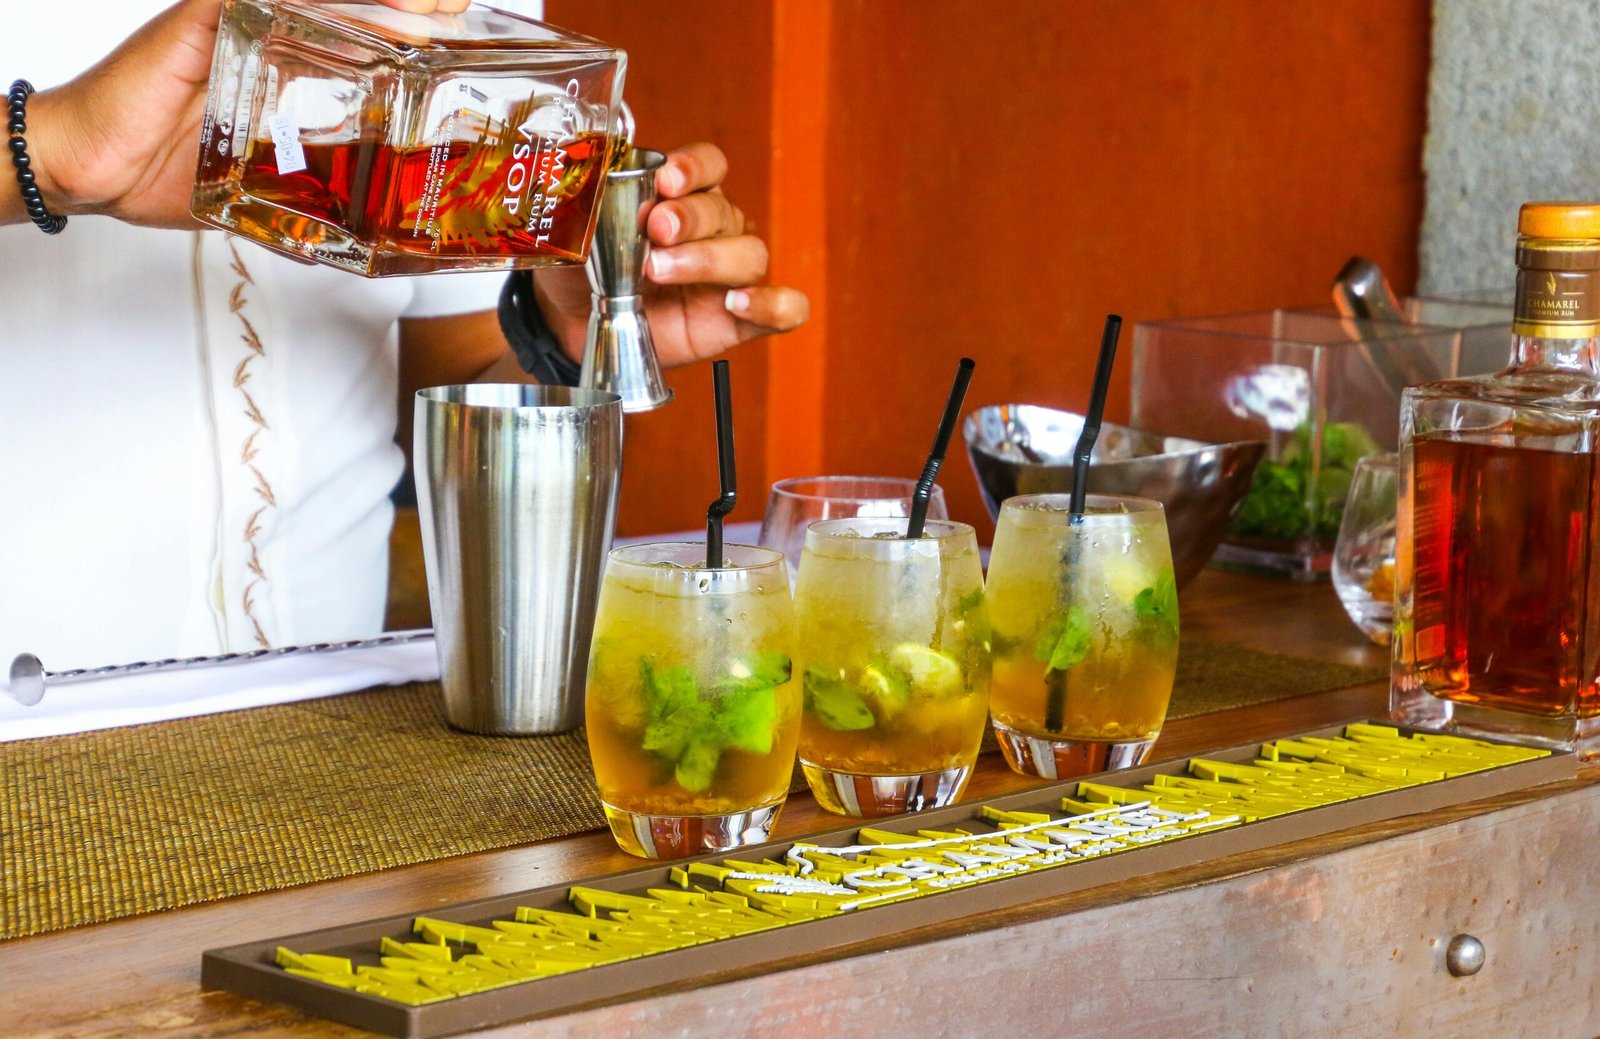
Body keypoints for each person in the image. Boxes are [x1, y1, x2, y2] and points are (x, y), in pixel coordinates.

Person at [0, 0, 808, 670]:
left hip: (334, 701)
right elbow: (64, 147)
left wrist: (559, 342)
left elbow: (438, 383)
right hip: (32, 718)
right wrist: (48, 147)